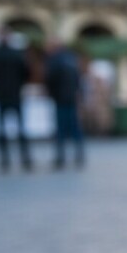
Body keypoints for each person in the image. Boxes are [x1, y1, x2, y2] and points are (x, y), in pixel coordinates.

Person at [0, 27, 32, 172]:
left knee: (3, 129)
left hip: (1, 95)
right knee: (20, 128)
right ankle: (24, 158)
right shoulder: (17, 54)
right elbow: (26, 73)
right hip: (15, 95)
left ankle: (5, 159)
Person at [45, 40, 85, 169]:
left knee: (61, 128)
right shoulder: (71, 59)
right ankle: (79, 154)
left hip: (60, 98)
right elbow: (78, 78)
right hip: (72, 97)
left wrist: (50, 93)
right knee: (74, 127)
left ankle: (60, 157)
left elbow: (50, 78)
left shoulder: (55, 60)